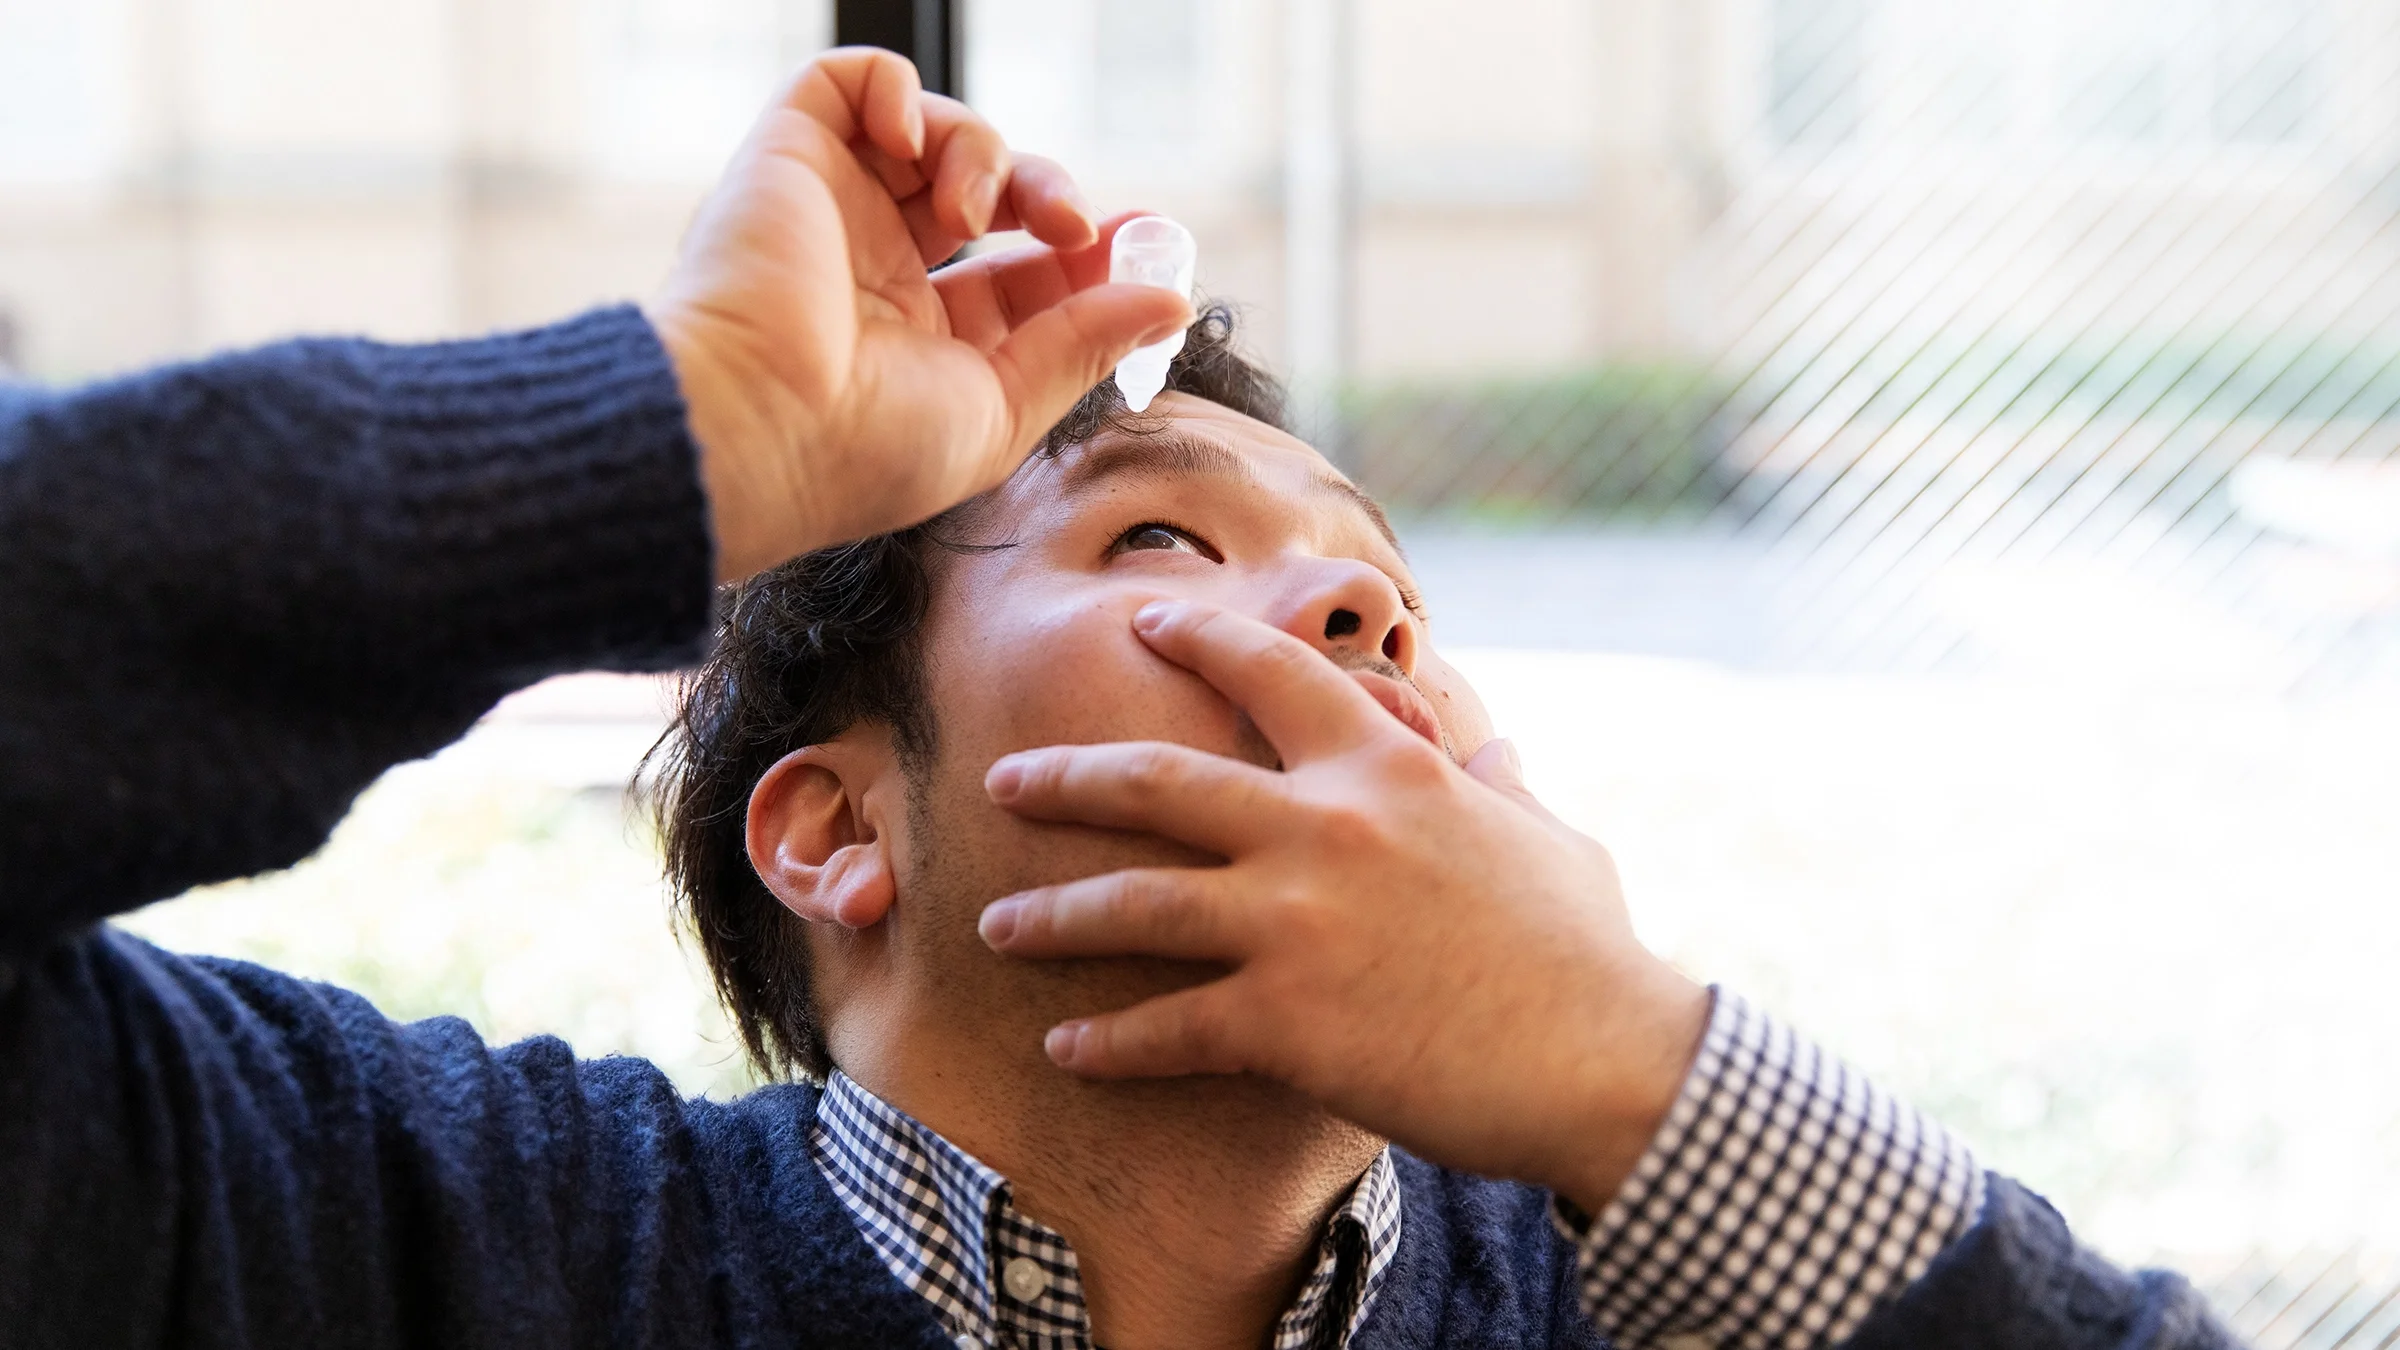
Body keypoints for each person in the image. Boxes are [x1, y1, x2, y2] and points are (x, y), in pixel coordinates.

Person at [0, 44, 2232, 1350]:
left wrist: (1640, 1075)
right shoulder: (432, 1239)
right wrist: (693, 424)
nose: (1363, 624)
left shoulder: (1658, 1283)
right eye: (1161, 543)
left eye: (1388, 590)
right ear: (836, 829)